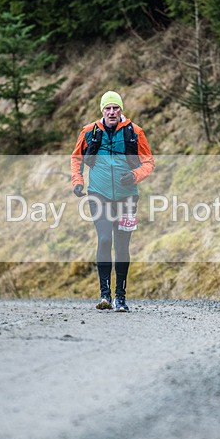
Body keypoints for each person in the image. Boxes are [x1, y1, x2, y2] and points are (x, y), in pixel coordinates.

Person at [71, 91, 155, 312]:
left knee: (122, 246)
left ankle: (121, 298)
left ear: (121, 110)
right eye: (107, 108)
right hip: (98, 194)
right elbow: (76, 158)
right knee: (105, 239)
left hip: (127, 196)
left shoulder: (134, 132)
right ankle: (105, 295)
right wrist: (77, 182)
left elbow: (148, 162)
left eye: (115, 108)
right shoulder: (89, 131)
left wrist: (135, 176)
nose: (111, 112)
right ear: (102, 110)